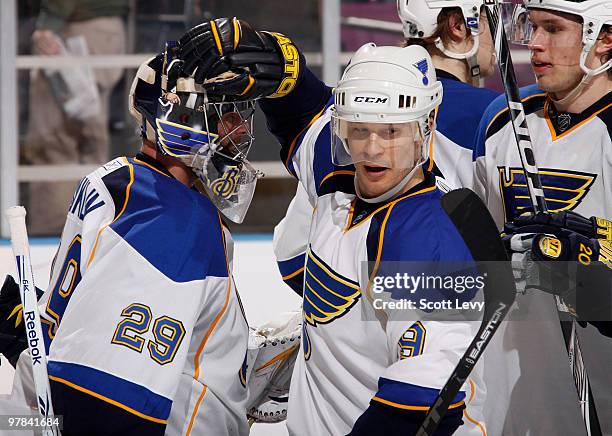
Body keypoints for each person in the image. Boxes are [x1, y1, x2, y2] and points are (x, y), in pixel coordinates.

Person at [175, 18, 493, 435]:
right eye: (359, 129)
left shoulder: (431, 238)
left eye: (391, 132)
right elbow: (302, 117)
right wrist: (280, 62)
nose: (373, 147)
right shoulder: (341, 179)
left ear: (426, 128)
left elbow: (425, 398)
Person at [2, 45, 267, 434]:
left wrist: (240, 367)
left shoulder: (120, 183)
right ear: (181, 118)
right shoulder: (175, 216)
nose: (241, 130)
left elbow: (87, 341)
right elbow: (111, 392)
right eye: (227, 115)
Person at [275, 0, 499, 298]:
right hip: (446, 324)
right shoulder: (499, 117)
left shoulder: (348, 112)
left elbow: (292, 258)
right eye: (487, 18)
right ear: (459, 25)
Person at [472, 0, 612, 433]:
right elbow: (480, 262)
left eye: (552, 29)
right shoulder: (504, 121)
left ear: (604, 39)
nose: (533, 44)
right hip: (514, 397)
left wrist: (588, 263)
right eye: (531, 27)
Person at [25, 0, 128, 235]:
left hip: (73, 25)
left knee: (54, 141)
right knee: (92, 138)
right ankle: (93, 232)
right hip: (103, 28)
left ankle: (57, 234)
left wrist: (48, 24)